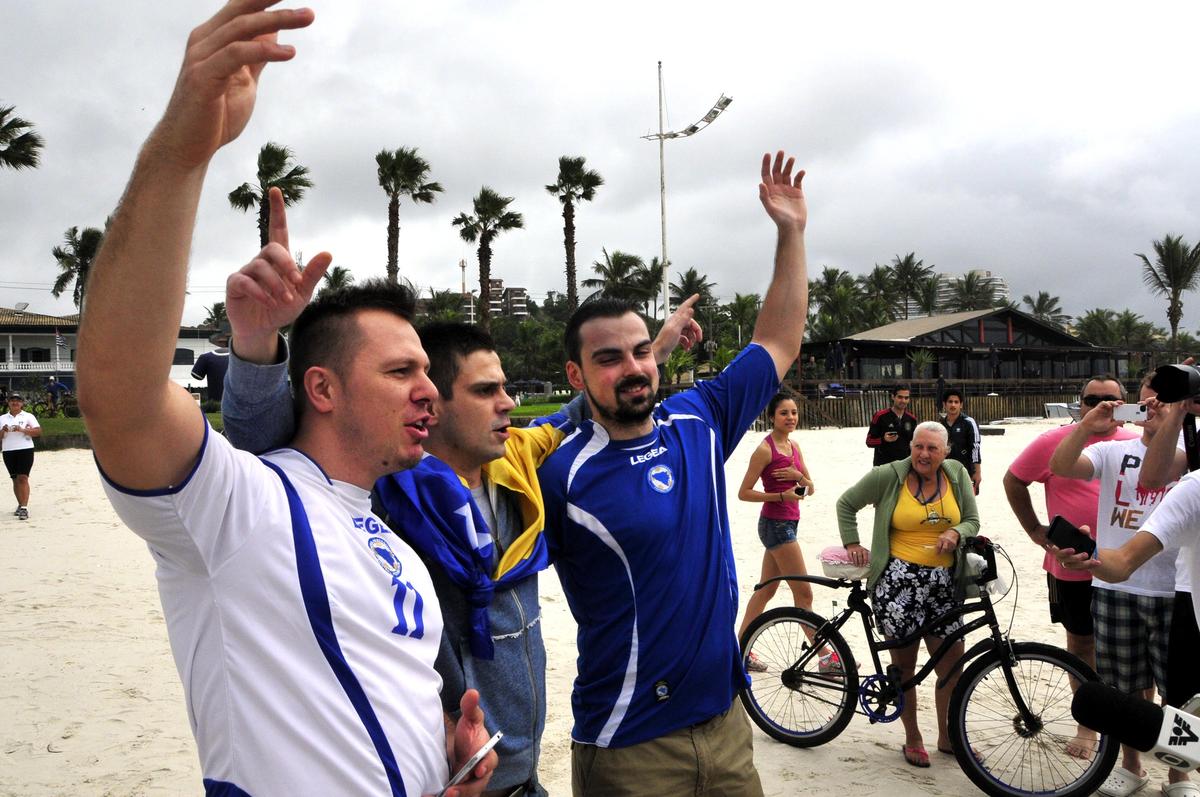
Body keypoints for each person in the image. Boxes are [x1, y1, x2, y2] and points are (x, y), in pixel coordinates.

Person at [74, 4, 495, 795]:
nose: (428, 389)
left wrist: (450, 756)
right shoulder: (241, 508)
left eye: (426, 372)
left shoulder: (397, 547)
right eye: (401, 370)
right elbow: (120, 397)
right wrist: (184, 147)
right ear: (323, 387)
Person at [220, 284, 702, 797]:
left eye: (504, 387)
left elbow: (587, 406)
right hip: (453, 774)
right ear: (436, 407)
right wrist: (257, 345)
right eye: (484, 391)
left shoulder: (515, 464)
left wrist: (660, 347)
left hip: (524, 771)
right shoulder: (387, 495)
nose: (507, 404)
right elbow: (267, 450)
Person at [535, 150, 808, 796]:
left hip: (726, 725)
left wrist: (791, 233)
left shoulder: (699, 419)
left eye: (639, 351)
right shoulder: (560, 468)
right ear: (575, 376)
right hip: (629, 745)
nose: (632, 367)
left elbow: (779, 340)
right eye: (608, 358)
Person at [1049, 376, 1189, 797]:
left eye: (1166, 398)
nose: (1156, 404)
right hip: (1115, 586)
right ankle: (1130, 766)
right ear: (1137, 401)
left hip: (1171, 587)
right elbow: (1060, 467)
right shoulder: (1113, 450)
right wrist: (1085, 425)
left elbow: (1158, 473)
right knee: (1122, 686)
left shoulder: (1186, 456)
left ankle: (1179, 775)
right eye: (1151, 396)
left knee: (1177, 693)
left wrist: (1174, 418)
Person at [1003, 374, 1138, 759]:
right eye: (1091, 399)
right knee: (1081, 645)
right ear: (1079, 404)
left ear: (1125, 406)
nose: (1100, 405)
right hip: (1071, 563)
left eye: (1110, 400)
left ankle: (1136, 732)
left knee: (1131, 653)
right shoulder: (1053, 441)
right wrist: (1033, 529)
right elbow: (1014, 481)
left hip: (1129, 564)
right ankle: (1087, 727)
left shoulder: (1138, 443)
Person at [837, 421, 979, 768]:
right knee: (905, 668)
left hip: (945, 585)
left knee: (952, 665)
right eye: (918, 446)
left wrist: (957, 533)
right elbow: (846, 503)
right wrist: (852, 543)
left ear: (945, 452)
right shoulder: (889, 475)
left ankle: (948, 737)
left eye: (932, 448)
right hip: (898, 583)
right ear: (910, 447)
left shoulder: (957, 474)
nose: (924, 454)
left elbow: (973, 520)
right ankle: (912, 736)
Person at [735, 391, 837, 673]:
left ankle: (739, 649)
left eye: (793, 412)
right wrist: (780, 497)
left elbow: (808, 489)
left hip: (789, 523)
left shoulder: (794, 447)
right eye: (784, 413)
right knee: (804, 594)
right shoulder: (765, 450)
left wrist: (798, 478)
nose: (790, 417)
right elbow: (743, 493)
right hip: (775, 526)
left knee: (766, 590)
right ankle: (826, 656)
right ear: (772, 417)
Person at [1, 393, 40, 520]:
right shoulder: (2, 418)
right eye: (12, 400)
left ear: (22, 403)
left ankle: (24, 508)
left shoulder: (28, 416)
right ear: (9, 403)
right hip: (8, 450)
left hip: (25, 449)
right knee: (15, 479)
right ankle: (20, 503)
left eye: (18, 401)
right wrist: (3, 431)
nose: (15, 403)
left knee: (23, 477)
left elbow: (38, 431)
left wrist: (22, 429)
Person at [940, 387, 981, 494]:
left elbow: (975, 448)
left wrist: (977, 473)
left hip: (966, 470)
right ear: (944, 404)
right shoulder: (940, 425)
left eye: (956, 402)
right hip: (945, 471)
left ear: (961, 405)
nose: (953, 405)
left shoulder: (969, 422)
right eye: (950, 402)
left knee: (967, 504)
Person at [866, 385, 917, 465]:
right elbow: (869, 441)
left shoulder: (912, 419)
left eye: (906, 398)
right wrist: (883, 439)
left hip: (904, 467)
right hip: (883, 466)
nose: (903, 400)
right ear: (893, 397)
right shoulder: (880, 416)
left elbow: (914, 442)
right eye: (900, 397)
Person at [191, 324, 231, 403]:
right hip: (236, 404)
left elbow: (197, 376)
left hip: (215, 402)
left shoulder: (206, 357)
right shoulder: (242, 356)